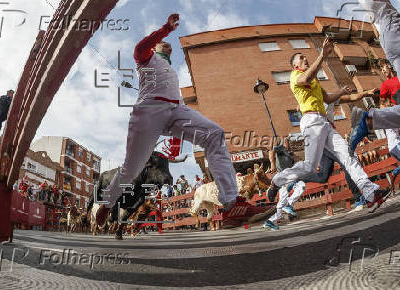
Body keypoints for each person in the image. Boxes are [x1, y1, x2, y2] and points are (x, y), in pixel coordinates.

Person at [96, 14, 257, 226]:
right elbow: (140, 47)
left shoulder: (171, 70)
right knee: (132, 168)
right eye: (165, 44)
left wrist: (179, 136)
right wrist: (166, 29)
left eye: (170, 45)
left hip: (176, 110)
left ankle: (231, 205)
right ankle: (107, 204)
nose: (169, 46)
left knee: (214, 134)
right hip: (149, 110)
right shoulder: (144, 57)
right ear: (155, 47)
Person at [267, 38, 389, 215]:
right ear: (295, 66)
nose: (305, 59)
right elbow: (306, 77)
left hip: (325, 123)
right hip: (311, 122)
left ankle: (371, 193)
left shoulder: (315, 81)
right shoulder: (295, 77)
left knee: (348, 155)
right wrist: (323, 55)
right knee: (309, 166)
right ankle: (277, 181)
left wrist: (341, 91)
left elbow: (328, 99)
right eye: (301, 58)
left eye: (305, 57)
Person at [349, 0, 400, 150]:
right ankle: (370, 119)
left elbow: (377, 33)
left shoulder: (371, 11)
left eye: (384, 69)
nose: (383, 71)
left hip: (387, 37)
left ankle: (370, 120)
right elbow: (383, 102)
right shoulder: (386, 85)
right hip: (392, 27)